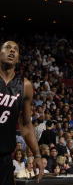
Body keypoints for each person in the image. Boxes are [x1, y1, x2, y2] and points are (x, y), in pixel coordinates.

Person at [0, 41, 44, 185]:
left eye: (15, 49)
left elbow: (25, 124)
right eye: (7, 48)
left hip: (4, 158)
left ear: (18, 58)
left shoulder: (25, 86)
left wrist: (37, 155)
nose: (11, 51)